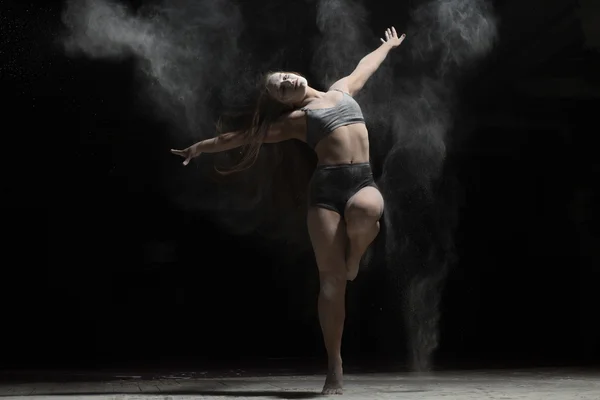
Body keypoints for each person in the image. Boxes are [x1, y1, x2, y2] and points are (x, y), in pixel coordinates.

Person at [171, 27, 406, 395]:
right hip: (326, 192)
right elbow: (241, 137)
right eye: (279, 88)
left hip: (361, 182)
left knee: (366, 209)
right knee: (331, 284)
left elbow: (364, 67)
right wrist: (199, 147)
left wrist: (387, 48)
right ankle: (334, 366)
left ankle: (355, 256)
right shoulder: (297, 120)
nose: (284, 81)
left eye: (281, 76)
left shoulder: (341, 90)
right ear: (285, 103)